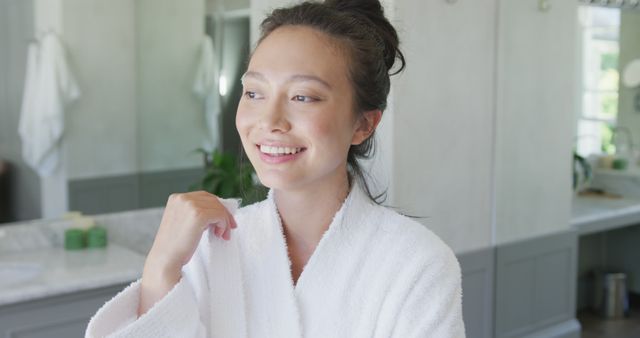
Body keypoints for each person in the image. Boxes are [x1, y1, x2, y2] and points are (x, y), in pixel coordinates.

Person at [85, 0, 465, 337]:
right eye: (254, 92)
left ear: (363, 124)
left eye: (303, 97)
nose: (270, 120)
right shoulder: (213, 247)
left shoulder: (418, 264)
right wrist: (161, 267)